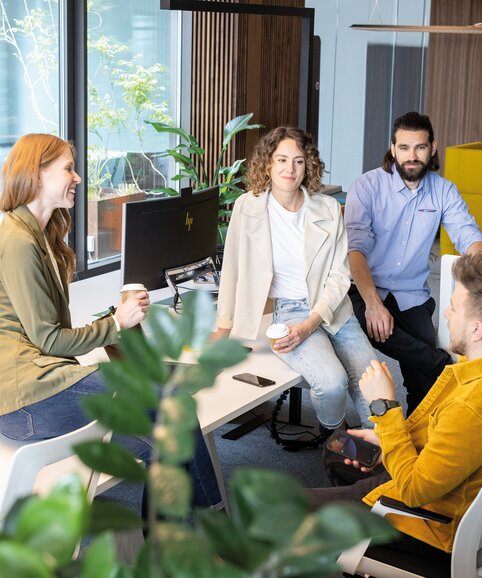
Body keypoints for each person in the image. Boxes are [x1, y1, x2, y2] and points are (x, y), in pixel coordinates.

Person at [0, 133, 220, 508]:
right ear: (37, 175)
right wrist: (117, 323)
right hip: (25, 402)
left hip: (40, 388)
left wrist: (116, 323)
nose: (78, 178)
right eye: (68, 168)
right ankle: (215, 527)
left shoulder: (41, 234)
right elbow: (48, 340)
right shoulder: (18, 240)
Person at [308, 252, 482, 564]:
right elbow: (444, 443)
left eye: (454, 308)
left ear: (477, 330)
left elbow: (415, 490)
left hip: (426, 524)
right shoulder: (470, 373)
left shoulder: (473, 406)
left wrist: (385, 407)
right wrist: (388, 441)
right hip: (432, 485)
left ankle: (352, 540)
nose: (445, 313)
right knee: (339, 449)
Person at [213, 126, 376, 434]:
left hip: (334, 309)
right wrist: (224, 326)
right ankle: (337, 444)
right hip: (289, 312)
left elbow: (340, 277)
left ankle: (384, 455)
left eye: (298, 161)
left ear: (308, 165)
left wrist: (312, 323)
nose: (290, 169)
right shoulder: (247, 206)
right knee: (331, 383)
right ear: (268, 164)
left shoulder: (327, 208)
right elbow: (232, 267)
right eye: (282, 160)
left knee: (376, 383)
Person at [345, 111, 482, 414]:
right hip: (363, 288)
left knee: (424, 382)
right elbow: (356, 252)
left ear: (432, 148)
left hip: (411, 294)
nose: (412, 156)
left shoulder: (443, 190)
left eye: (420, 147)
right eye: (404, 148)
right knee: (393, 336)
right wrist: (373, 304)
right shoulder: (366, 187)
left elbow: (468, 235)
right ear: (393, 149)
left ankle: (418, 441)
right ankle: (445, 365)